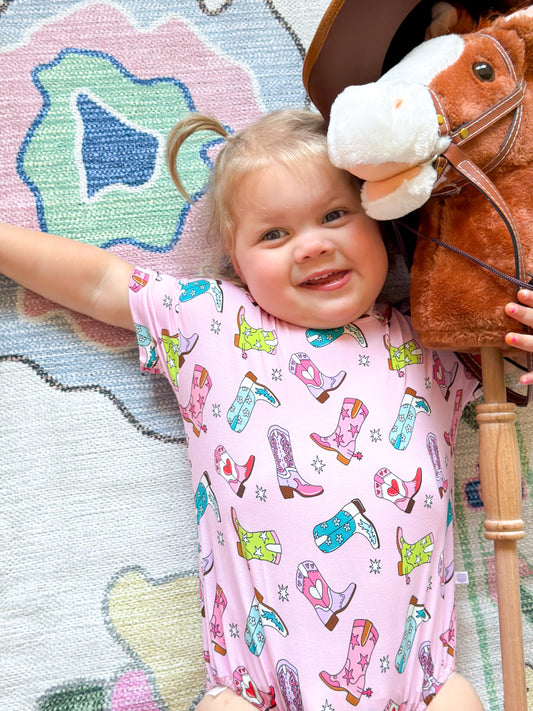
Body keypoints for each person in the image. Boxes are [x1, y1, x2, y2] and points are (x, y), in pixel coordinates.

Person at [2, 108, 533, 711]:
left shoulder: (432, 339)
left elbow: (513, 371)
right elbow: (100, 283)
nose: (312, 245)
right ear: (236, 258)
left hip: (422, 688)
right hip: (255, 689)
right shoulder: (210, 319)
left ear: (384, 225)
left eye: (335, 215)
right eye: (274, 235)